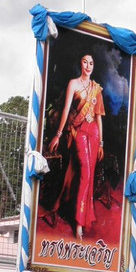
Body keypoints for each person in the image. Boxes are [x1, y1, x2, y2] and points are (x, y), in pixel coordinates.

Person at [46, 54, 104, 239]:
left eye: (92, 63)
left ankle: (84, 218)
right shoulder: (74, 83)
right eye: (85, 62)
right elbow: (65, 110)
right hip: (79, 132)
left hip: (94, 132)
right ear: (80, 64)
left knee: (90, 175)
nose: (88, 66)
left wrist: (101, 142)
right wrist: (58, 134)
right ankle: (79, 222)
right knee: (85, 173)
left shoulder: (96, 88)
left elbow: (99, 117)